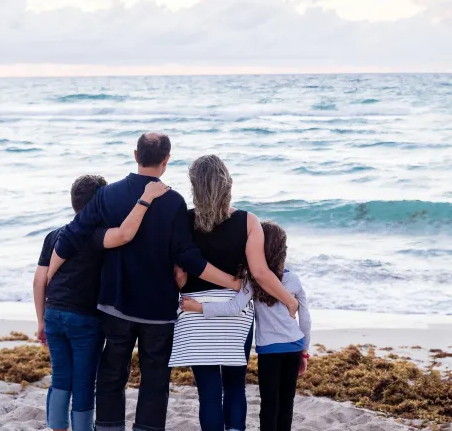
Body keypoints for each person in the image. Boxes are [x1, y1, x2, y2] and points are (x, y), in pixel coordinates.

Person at [47, 133, 241, 431]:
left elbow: (74, 234)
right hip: (158, 310)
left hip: (115, 304)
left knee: (112, 373)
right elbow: (187, 257)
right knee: (155, 379)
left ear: (135, 155)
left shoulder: (107, 195)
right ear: (166, 160)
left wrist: (48, 274)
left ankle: (109, 427)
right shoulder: (174, 201)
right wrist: (231, 282)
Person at [169, 155, 300, 431]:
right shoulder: (248, 221)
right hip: (236, 312)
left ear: (195, 187)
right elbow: (261, 273)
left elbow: (178, 274)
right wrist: (288, 300)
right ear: (227, 184)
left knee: (208, 394)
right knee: (235, 387)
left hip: (195, 310)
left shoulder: (184, 221)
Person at [34, 175, 170, 431]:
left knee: (61, 378)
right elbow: (126, 234)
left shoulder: (55, 235)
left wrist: (41, 320)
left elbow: (39, 281)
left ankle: (58, 428)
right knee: (84, 381)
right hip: (84, 318)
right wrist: (146, 199)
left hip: (54, 313)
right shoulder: (97, 236)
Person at [182, 221, 311, 431]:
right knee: (287, 402)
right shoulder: (293, 279)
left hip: (270, 351)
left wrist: (199, 308)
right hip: (294, 346)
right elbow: (305, 319)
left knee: (269, 404)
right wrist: (304, 350)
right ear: (282, 250)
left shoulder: (253, 280)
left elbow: (233, 308)